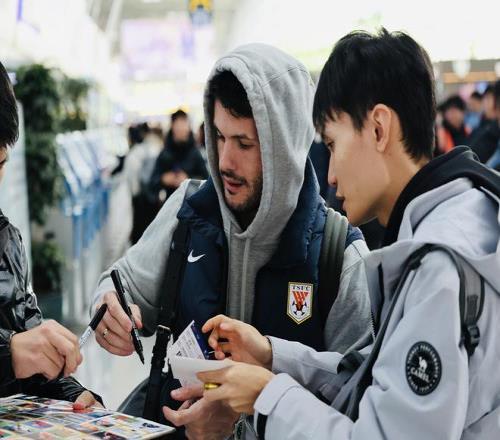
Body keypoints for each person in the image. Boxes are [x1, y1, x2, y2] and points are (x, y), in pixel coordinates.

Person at [197, 29, 500, 439]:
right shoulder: (468, 219)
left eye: (332, 143)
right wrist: (273, 356)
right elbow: (380, 380)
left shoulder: (439, 267)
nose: (331, 175)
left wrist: (267, 397)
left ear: (378, 128)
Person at [91, 44, 371, 437]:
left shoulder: (340, 257)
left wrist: (243, 421)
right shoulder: (187, 212)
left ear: (286, 147)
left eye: (244, 144)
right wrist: (108, 306)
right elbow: (123, 284)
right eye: (219, 137)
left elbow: (357, 404)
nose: (224, 161)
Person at [0, 61, 101, 409]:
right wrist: (8, 353)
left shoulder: (6, 241)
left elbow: (30, 343)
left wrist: (73, 394)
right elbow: (15, 352)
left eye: (0, 164)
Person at [147, 110, 208, 210]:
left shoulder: (195, 153)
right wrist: (164, 179)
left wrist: (188, 180)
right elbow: (151, 184)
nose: (183, 129)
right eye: (179, 125)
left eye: (185, 125)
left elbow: (206, 180)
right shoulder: (165, 153)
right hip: (169, 207)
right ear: (172, 127)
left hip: (192, 208)